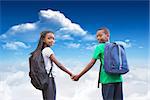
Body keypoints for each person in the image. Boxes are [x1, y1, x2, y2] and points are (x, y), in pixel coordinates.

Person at [72, 27, 123, 100]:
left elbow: (91, 63)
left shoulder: (99, 47)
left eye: (100, 35)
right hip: (118, 78)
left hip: (107, 79)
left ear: (107, 35)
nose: (98, 38)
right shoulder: (115, 46)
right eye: (97, 36)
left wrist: (79, 75)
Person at [31, 30, 74, 100]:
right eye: (49, 38)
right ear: (43, 40)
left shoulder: (42, 51)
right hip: (49, 79)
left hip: (44, 78)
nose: (52, 40)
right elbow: (59, 64)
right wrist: (70, 74)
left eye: (53, 38)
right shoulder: (48, 50)